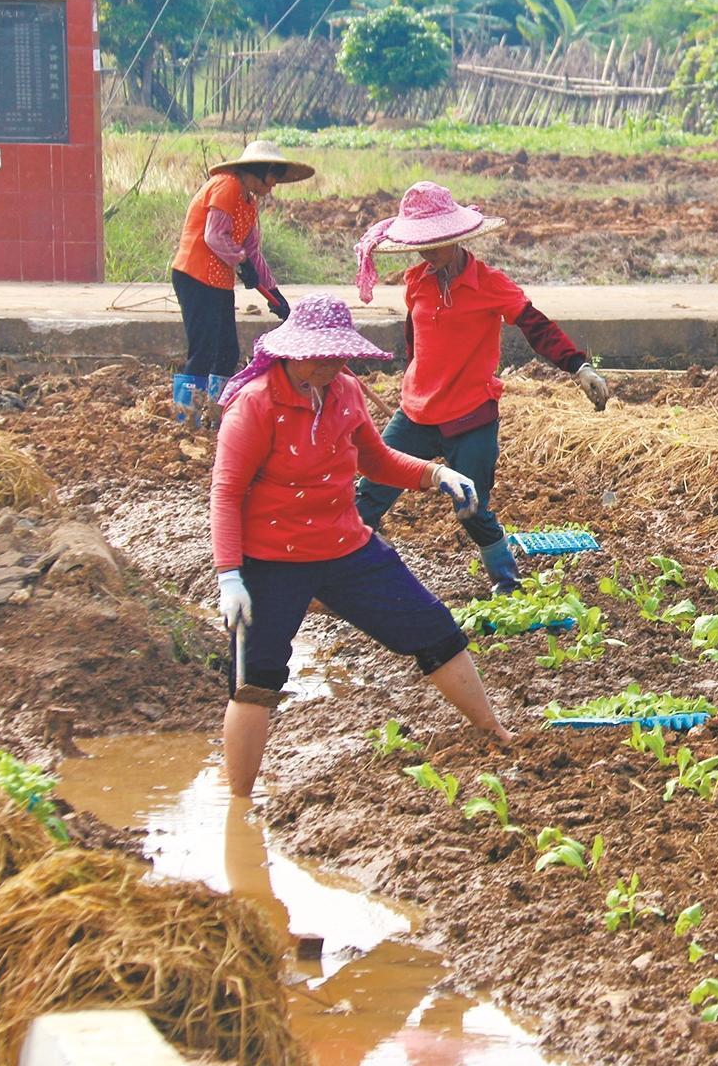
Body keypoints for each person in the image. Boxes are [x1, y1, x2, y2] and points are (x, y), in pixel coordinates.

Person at [211, 294, 512, 799]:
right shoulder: (257, 404)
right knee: (255, 681)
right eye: (319, 357)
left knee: (435, 630)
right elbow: (226, 492)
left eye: (336, 357)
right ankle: (237, 802)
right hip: (271, 560)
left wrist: (435, 473)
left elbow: (376, 461)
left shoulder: (345, 391)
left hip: (346, 548)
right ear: (291, 353)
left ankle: (493, 728)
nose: (329, 367)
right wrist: (229, 576)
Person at [350, 182, 610, 595]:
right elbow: (415, 340)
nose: (428, 252)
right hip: (415, 414)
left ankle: (507, 583)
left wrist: (578, 367)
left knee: (470, 508)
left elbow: (536, 327)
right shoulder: (417, 281)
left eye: (436, 242)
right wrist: (417, 381)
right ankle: (344, 580)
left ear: (456, 237)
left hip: (470, 417)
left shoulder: (488, 284)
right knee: (367, 498)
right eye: (422, 243)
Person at [170, 139, 311, 423]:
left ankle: (216, 415)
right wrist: (241, 261)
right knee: (203, 349)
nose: (272, 187)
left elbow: (253, 253)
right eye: (272, 179)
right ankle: (186, 420)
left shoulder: (249, 203)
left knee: (227, 351)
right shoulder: (227, 186)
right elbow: (214, 236)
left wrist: (275, 294)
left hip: (219, 281)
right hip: (195, 276)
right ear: (260, 170)